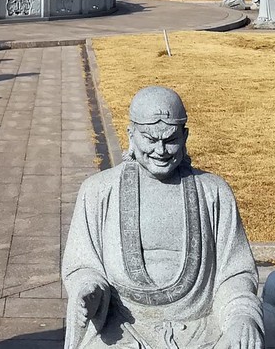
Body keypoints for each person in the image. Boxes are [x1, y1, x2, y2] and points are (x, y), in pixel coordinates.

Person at [61, 86, 261, 349]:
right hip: (123, 328)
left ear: (185, 136)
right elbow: (82, 263)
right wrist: (88, 288)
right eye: (150, 139)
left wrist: (242, 316)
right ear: (131, 135)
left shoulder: (213, 192)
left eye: (170, 139)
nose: (161, 150)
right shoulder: (98, 191)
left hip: (201, 329)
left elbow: (234, 273)